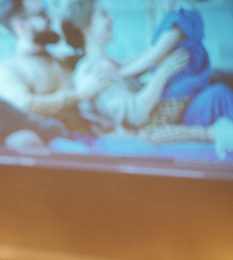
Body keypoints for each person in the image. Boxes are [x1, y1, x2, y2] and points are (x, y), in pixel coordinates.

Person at [63, 0, 233, 158]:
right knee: (219, 96)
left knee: (218, 93)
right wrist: (164, 73)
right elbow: (136, 114)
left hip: (158, 120)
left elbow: (145, 58)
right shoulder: (92, 73)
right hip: (147, 132)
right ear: (85, 27)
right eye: (102, 14)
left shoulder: (110, 63)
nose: (110, 18)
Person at [0, 0, 107, 130]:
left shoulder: (65, 61)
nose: (50, 18)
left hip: (89, 139)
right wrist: (79, 95)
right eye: (41, 14)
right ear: (21, 26)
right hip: (55, 144)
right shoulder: (9, 70)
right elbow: (25, 105)